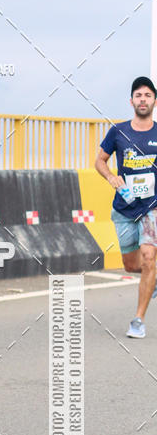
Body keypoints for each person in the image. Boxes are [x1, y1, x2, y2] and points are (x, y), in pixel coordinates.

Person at [95, 75, 157, 338]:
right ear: (131, 101)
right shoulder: (118, 132)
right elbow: (100, 160)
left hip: (152, 208)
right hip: (124, 208)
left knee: (149, 257)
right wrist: (111, 177)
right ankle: (152, 279)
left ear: (155, 100)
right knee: (132, 265)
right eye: (138, 95)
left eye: (148, 95)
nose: (143, 100)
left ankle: (138, 320)